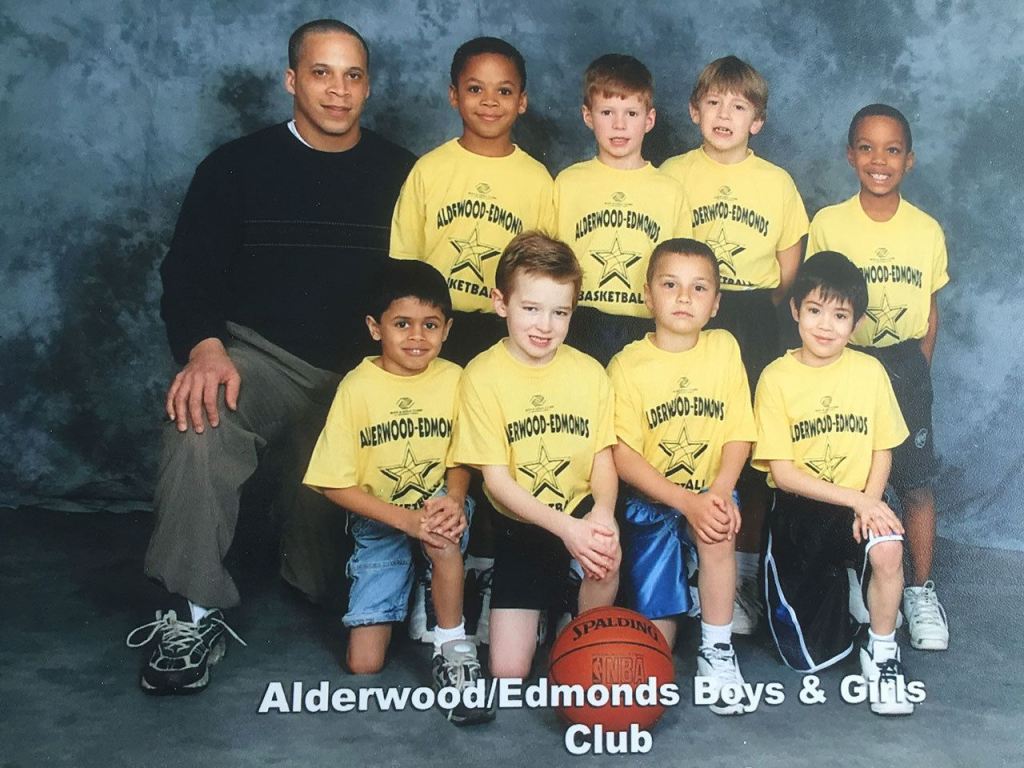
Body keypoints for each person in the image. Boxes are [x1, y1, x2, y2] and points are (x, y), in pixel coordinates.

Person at [125, 19, 416, 695]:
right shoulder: (234, 168)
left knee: (324, 584)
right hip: (260, 362)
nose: (338, 92)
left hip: (366, 377)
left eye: (353, 76)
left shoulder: (404, 173)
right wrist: (203, 349)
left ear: (368, 86)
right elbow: (188, 275)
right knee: (198, 417)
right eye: (321, 73)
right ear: (291, 79)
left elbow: (426, 287)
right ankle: (188, 611)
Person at [390, 36, 555, 644]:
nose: (490, 102)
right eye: (476, 89)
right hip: (437, 328)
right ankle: (432, 576)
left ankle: (483, 576)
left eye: (504, 91)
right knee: (443, 451)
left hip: (505, 325)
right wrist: (414, 330)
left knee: (500, 451)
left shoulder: (537, 179)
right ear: (453, 94)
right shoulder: (430, 170)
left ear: (523, 101)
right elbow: (403, 267)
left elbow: (545, 268)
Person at [302, 260, 491, 726]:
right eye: (402, 324)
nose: (416, 337)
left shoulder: (454, 378)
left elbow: (461, 456)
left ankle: (453, 647)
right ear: (374, 327)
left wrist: (450, 500)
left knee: (441, 537)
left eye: (430, 325)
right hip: (381, 519)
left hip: (438, 503)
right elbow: (332, 482)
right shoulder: (357, 387)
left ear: (447, 329)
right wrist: (405, 521)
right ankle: (414, 589)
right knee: (364, 664)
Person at [660, 55, 809, 633]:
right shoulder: (671, 172)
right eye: (714, 103)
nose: (725, 115)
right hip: (681, 311)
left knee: (742, 446)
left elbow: (787, 274)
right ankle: (670, 567)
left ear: (758, 121)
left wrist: (743, 311)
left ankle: (738, 577)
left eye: (739, 106)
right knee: (678, 429)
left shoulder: (776, 183)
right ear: (694, 110)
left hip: (749, 315)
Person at [807, 104, 950, 651]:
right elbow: (814, 302)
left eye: (892, 149)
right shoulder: (830, 223)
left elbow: (930, 312)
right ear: (850, 155)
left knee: (914, 481)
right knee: (847, 478)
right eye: (866, 147)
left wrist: (917, 373)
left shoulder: (926, 229)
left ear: (909, 161)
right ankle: (851, 572)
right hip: (845, 364)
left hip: (904, 365)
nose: (879, 159)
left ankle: (919, 590)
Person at [753, 251, 917, 716]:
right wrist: (857, 501)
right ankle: (850, 586)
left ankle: (882, 650)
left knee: (888, 543)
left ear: (856, 322)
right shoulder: (776, 378)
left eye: (840, 315)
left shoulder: (869, 372)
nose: (826, 325)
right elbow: (783, 475)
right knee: (807, 660)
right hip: (801, 513)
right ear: (795, 310)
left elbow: (882, 448)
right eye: (815, 310)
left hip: (859, 498)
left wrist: (868, 503)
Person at [451, 231, 620, 678]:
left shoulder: (589, 372)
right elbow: (498, 483)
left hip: (578, 509)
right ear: (500, 302)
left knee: (606, 547)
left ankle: (582, 627)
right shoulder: (482, 376)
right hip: (522, 520)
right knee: (508, 673)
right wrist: (567, 530)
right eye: (531, 309)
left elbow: (603, 458)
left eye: (559, 312)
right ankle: (540, 598)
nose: (545, 326)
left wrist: (602, 513)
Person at [608, 238, 756, 715]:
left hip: (706, 493)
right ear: (648, 294)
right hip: (651, 501)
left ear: (715, 303)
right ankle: (678, 594)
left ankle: (716, 647)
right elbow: (623, 456)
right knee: (659, 647)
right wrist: (684, 500)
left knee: (716, 527)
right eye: (670, 285)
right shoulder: (627, 365)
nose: (684, 298)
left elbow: (739, 431)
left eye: (698, 288)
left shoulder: (724, 348)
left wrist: (716, 492)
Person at [554, 54, 691, 365]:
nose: (619, 124)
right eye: (607, 112)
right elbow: (549, 262)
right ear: (588, 116)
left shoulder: (669, 190)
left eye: (631, 112)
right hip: (580, 321)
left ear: (650, 119)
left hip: (645, 322)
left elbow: (683, 268)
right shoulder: (568, 182)